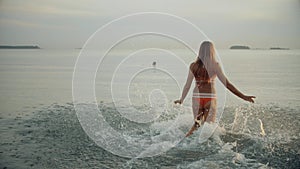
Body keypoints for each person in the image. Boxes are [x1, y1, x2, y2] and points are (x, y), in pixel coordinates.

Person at [174, 41, 255, 137]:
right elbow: (227, 84)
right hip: (210, 98)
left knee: (196, 125)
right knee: (209, 128)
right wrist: (243, 96)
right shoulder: (215, 65)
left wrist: (181, 99)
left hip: (197, 97)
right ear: (212, 51)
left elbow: (187, 85)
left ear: (200, 51)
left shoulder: (193, 65)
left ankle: (186, 139)